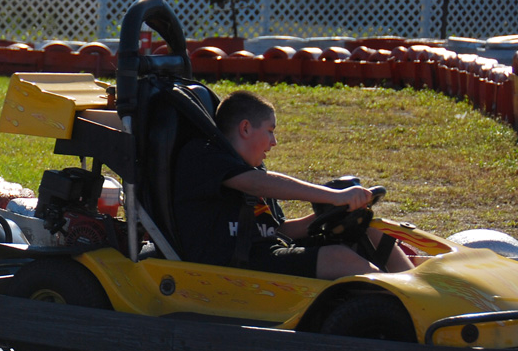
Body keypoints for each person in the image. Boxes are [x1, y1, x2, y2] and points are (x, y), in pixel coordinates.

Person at [172, 90, 413, 279]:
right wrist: (333, 196)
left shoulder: (253, 170)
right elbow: (258, 184)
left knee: (368, 230)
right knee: (340, 258)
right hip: (232, 267)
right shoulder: (205, 159)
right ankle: (401, 312)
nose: (274, 142)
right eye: (269, 131)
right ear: (245, 128)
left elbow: (277, 230)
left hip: (265, 252)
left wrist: (333, 216)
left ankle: (417, 290)